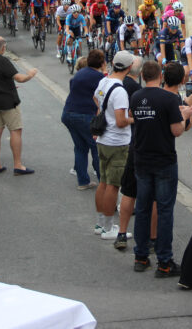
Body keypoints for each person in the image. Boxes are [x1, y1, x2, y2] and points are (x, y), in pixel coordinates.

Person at [130, 61, 192, 276]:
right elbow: (177, 131)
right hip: (164, 160)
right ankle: (164, 262)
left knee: (142, 208)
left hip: (141, 158)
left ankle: (140, 257)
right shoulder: (168, 99)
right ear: (160, 76)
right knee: (165, 211)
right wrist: (186, 115)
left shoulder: (136, 97)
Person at [0, 36, 38, 175]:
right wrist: (30, 74)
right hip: (8, 102)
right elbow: (20, 78)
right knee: (16, 131)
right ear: (3, 47)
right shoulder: (2, 60)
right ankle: (18, 165)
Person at [115, 56, 156, 249]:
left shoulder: (132, 93)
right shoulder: (158, 97)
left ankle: (121, 233)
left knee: (129, 193)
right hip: (152, 151)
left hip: (134, 147)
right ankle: (152, 238)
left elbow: (129, 114)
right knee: (153, 198)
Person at [93, 51, 135, 239]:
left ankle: (100, 223)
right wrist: (133, 119)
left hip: (102, 139)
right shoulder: (120, 91)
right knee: (113, 185)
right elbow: (120, 121)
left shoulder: (104, 81)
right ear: (129, 67)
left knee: (103, 182)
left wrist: (104, 111)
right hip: (117, 142)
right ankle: (109, 228)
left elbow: (96, 99)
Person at [62, 49, 106, 190]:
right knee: (96, 148)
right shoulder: (99, 77)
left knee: (80, 148)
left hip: (68, 113)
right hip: (85, 115)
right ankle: (103, 181)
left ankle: (83, 181)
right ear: (101, 62)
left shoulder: (80, 73)